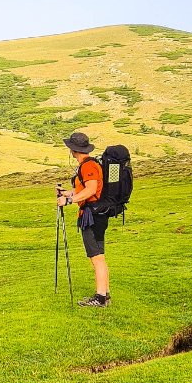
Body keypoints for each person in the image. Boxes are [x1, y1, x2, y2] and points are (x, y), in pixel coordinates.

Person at [56, 131, 111, 306]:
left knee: (96, 257)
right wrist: (67, 193)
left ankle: (100, 297)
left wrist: (69, 200)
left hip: (92, 216)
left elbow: (92, 189)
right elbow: (84, 190)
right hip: (95, 214)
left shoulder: (88, 166)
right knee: (98, 256)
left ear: (73, 150)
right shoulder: (88, 165)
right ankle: (105, 294)